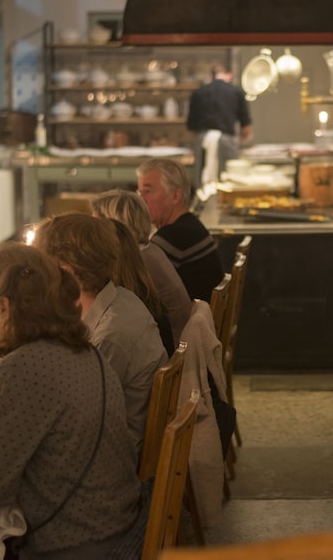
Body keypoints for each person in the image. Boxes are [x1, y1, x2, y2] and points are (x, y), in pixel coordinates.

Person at [0, 243, 141, 558]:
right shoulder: (84, 350)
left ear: (4, 307)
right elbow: (55, 442)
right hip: (118, 525)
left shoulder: (23, 367)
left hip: (77, 543)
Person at [34, 213, 169, 455]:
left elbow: (76, 427)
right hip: (99, 445)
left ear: (67, 273)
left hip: (107, 460)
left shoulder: (109, 336)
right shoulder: (122, 298)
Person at [91, 189, 191, 348]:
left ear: (114, 226)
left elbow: (119, 315)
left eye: (94, 226)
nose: (91, 235)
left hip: (171, 348)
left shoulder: (134, 261)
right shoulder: (150, 250)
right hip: (176, 343)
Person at [137, 158, 224, 302]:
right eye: (139, 193)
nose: (141, 200)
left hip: (192, 316)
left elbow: (137, 290)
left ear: (175, 196)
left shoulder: (172, 237)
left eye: (148, 191)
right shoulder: (190, 225)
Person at [187, 65, 252, 188]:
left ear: (212, 76)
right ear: (228, 75)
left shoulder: (198, 92)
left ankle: (203, 199)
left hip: (203, 140)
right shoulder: (236, 91)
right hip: (226, 140)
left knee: (202, 180)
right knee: (230, 180)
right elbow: (245, 124)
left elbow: (191, 125)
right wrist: (244, 140)